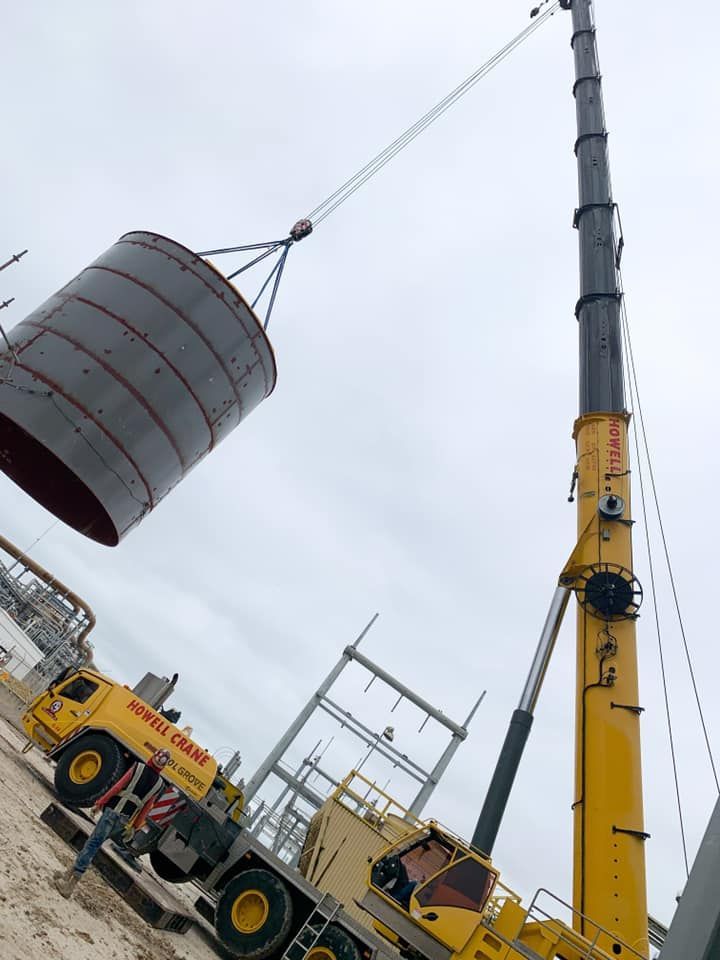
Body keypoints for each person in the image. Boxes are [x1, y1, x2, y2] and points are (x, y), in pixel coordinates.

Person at [53, 747, 171, 898]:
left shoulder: (137, 768)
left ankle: (70, 885)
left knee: (92, 845)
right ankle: (67, 874)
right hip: (124, 821)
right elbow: (145, 810)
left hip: (112, 813)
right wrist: (134, 828)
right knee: (94, 844)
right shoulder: (159, 785)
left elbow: (118, 786)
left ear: (153, 757)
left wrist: (100, 802)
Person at [110, 781, 187, 870]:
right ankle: (132, 849)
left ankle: (132, 849)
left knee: (151, 825)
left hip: (179, 795)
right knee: (151, 826)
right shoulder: (175, 794)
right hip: (180, 794)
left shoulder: (175, 794)